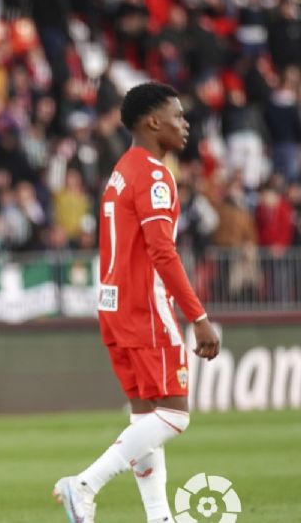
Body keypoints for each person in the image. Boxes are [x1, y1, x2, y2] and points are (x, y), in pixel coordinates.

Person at [53, 82, 220, 523]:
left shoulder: (122, 169)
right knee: (174, 417)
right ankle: (83, 485)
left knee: (144, 419)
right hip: (145, 307)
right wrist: (198, 317)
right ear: (152, 122)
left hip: (113, 303)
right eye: (178, 116)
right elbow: (162, 251)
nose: (185, 125)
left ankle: (160, 516)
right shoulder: (153, 174)